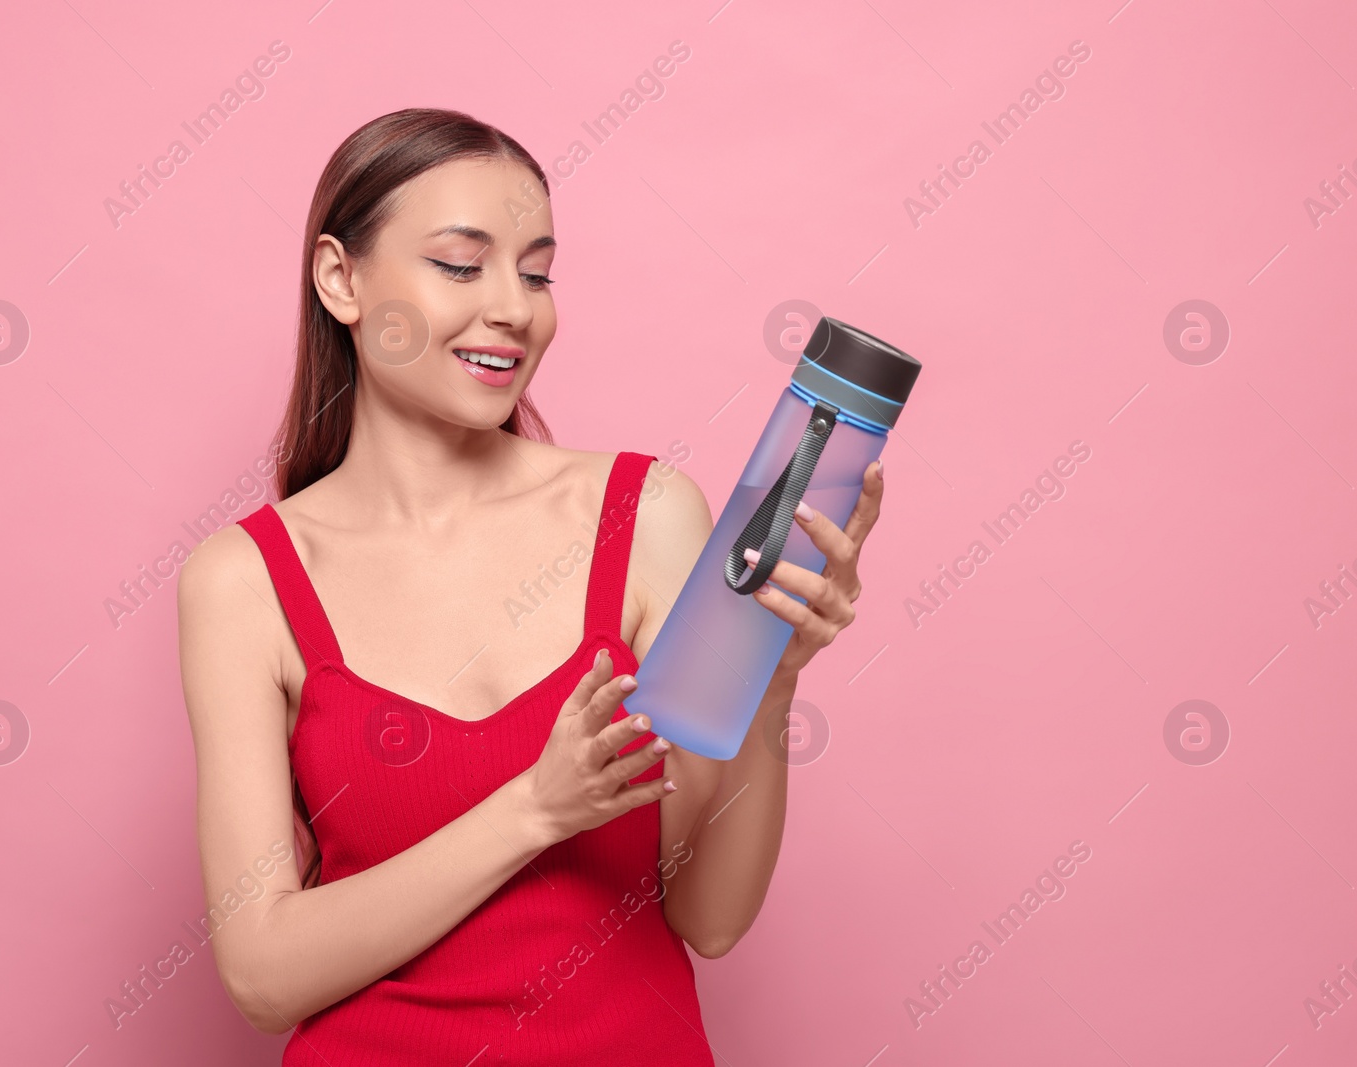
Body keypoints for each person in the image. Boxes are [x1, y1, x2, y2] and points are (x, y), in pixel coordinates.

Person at [176, 107, 885, 1065]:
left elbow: (709, 917)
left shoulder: (648, 515)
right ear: (341, 279)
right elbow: (262, 973)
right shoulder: (243, 581)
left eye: (539, 271)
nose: (515, 307)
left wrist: (775, 679)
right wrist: (535, 810)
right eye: (462, 266)